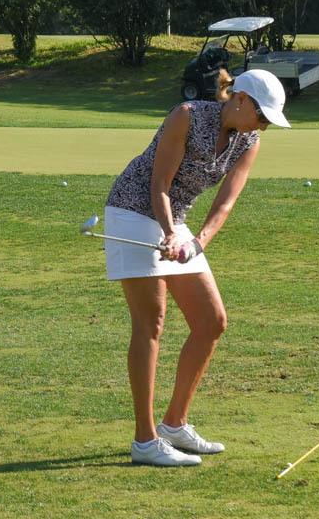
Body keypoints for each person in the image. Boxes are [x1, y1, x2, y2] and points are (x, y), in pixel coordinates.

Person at [100, 68, 288, 467]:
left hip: (177, 220)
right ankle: (145, 441)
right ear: (240, 100)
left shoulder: (248, 140)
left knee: (211, 320)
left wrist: (196, 242)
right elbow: (159, 185)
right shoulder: (186, 114)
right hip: (133, 210)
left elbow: (225, 202)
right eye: (263, 115)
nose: (265, 125)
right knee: (152, 322)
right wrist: (170, 234)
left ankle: (174, 425)